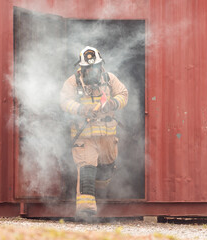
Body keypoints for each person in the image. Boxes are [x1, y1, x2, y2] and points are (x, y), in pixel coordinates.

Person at [60, 46, 128, 220]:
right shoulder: (73, 82)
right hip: (84, 137)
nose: (92, 70)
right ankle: (85, 211)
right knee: (87, 168)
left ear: (100, 65)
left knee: (106, 169)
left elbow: (123, 94)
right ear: (82, 68)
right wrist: (81, 109)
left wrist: (113, 103)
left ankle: (98, 193)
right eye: (88, 68)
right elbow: (64, 101)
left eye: (95, 67)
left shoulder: (110, 79)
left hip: (107, 136)